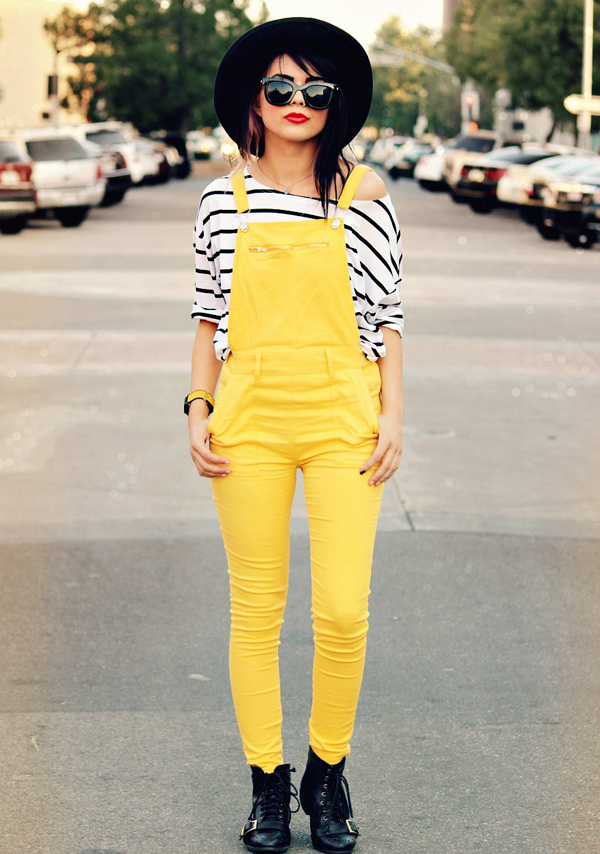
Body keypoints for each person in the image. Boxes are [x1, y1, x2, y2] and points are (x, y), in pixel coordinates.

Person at [186, 17, 404, 854]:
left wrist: (392, 416)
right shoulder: (222, 201)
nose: (297, 102)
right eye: (280, 87)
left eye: (315, 89)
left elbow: (388, 320)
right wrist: (197, 408)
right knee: (256, 609)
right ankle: (267, 784)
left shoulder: (366, 196)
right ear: (255, 100)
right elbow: (207, 318)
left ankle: (327, 771)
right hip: (249, 418)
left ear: (334, 102)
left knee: (344, 610)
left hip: (344, 413)